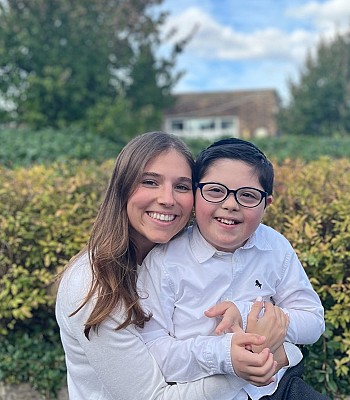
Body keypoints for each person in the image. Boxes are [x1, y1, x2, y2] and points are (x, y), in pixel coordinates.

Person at [55, 131, 285, 400]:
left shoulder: (186, 259)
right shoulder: (95, 286)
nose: (167, 199)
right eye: (150, 182)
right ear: (122, 188)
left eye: (182, 186)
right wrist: (253, 362)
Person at [138, 138, 327, 400]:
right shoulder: (165, 261)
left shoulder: (274, 246)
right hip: (202, 391)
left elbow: (314, 320)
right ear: (194, 194)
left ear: (266, 204)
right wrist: (225, 354)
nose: (230, 204)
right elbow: (152, 349)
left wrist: (249, 314)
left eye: (248, 195)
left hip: (275, 387)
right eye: (215, 191)